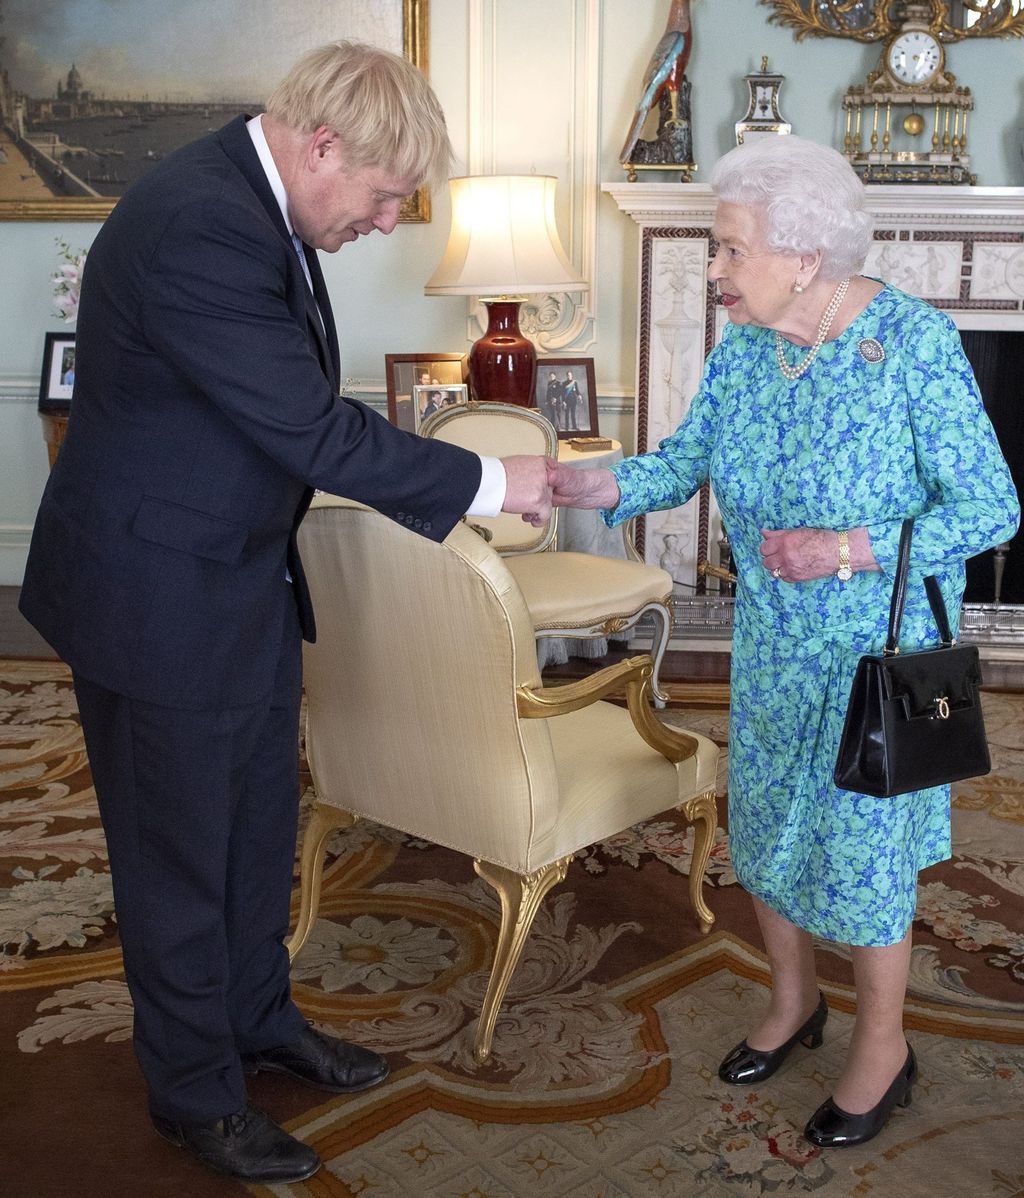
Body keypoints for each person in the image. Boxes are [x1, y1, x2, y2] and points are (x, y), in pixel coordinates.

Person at [19, 41, 554, 1186]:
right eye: (377, 196)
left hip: (236, 578)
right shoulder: (200, 225)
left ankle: (260, 1023)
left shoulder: (257, 202)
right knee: (178, 859)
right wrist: (493, 481)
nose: (379, 220)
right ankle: (195, 1095)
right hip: (155, 598)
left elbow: (283, 414)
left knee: (255, 826)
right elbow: (311, 427)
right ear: (321, 146)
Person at [550, 135, 1019, 1150]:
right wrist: (602, 483)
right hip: (772, 651)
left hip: (874, 659)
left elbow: (991, 507)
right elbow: (684, 461)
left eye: (728, 250)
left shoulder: (911, 346)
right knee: (764, 832)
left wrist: (843, 548)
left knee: (862, 854)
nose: (712, 270)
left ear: (802, 254)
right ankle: (792, 1003)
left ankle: (881, 1044)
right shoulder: (746, 354)